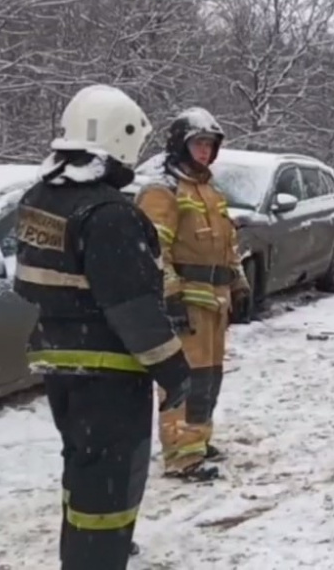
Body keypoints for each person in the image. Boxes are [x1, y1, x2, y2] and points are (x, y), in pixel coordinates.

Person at [12, 85, 191, 570]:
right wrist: (174, 371)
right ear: (119, 137)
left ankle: (82, 556)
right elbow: (133, 309)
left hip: (61, 365)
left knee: (84, 475)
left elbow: (28, 283)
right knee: (110, 490)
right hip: (109, 372)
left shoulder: (40, 199)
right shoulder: (109, 213)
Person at [136, 107, 250, 482]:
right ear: (181, 145)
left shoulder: (211, 192)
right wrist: (169, 297)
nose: (204, 150)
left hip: (215, 304)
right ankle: (181, 454)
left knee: (209, 379)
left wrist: (239, 283)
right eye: (198, 143)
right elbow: (154, 251)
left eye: (210, 145)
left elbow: (229, 245)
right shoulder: (163, 191)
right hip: (185, 304)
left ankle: (197, 440)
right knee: (184, 380)